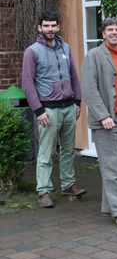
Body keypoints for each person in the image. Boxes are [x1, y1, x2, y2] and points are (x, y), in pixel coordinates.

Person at [22, 11, 86, 208]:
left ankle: (68, 185)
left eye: (53, 25)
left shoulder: (64, 47)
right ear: (40, 28)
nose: (50, 29)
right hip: (47, 109)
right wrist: (38, 110)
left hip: (68, 107)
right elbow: (27, 83)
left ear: (58, 27)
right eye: (46, 26)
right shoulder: (32, 51)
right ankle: (44, 191)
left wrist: (77, 101)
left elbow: (74, 76)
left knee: (68, 150)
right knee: (46, 151)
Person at [81, 17, 117, 228]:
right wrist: (104, 116)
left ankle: (110, 205)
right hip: (106, 121)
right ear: (103, 34)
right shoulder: (93, 56)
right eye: (110, 30)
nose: (114, 32)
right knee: (111, 166)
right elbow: (89, 89)